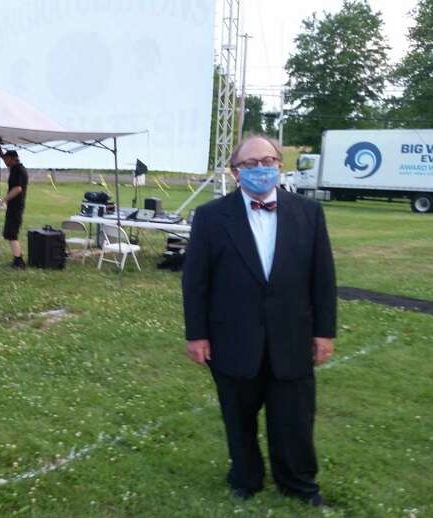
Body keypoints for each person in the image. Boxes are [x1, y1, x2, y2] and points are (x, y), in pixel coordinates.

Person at [182, 134, 336, 507]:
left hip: (292, 336)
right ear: (236, 172)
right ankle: (245, 478)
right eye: (251, 164)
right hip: (232, 337)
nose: (261, 169)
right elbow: (195, 281)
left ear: (279, 165)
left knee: (294, 419)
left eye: (268, 161)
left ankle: (298, 483)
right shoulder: (210, 217)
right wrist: (197, 335)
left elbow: (323, 277)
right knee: (239, 417)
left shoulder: (308, 213)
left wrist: (324, 332)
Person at [0, 149, 28, 268]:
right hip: (15, 206)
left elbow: (17, 188)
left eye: (6, 159)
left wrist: (3, 201)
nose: (4, 161)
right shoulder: (16, 168)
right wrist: (0, 152)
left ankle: (19, 261)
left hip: (16, 207)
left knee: (12, 233)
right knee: (10, 233)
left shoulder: (17, 170)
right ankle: (17, 257)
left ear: (13, 158)